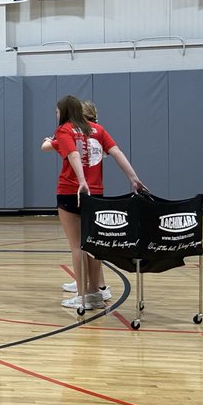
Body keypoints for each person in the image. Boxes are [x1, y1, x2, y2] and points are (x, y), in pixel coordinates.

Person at [45, 96, 146, 311]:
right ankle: (95, 292)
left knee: (77, 245)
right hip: (97, 193)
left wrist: (81, 182)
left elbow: (72, 154)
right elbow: (116, 152)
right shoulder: (97, 129)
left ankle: (82, 296)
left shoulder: (64, 130)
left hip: (72, 191)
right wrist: (133, 178)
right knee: (93, 245)